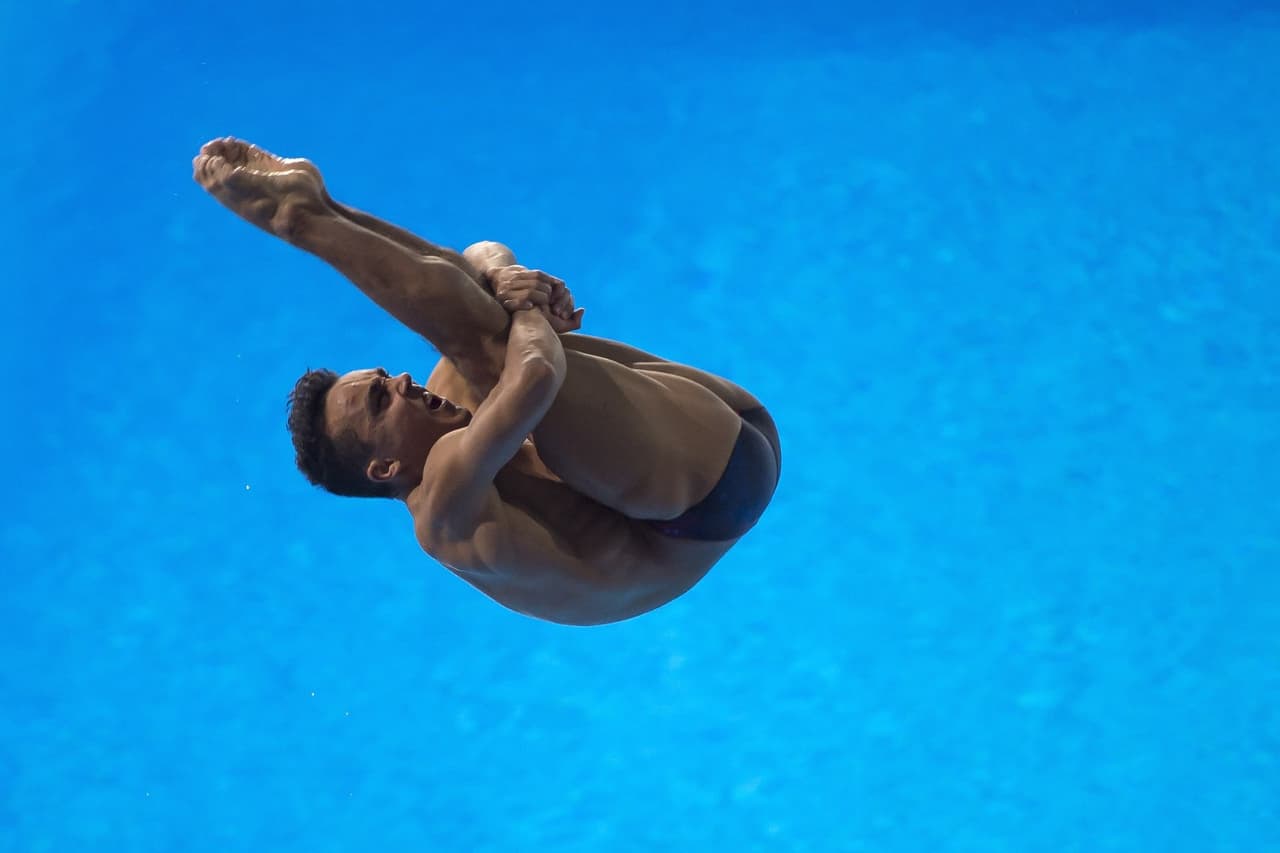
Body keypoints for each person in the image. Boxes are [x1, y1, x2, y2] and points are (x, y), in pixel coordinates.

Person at [193, 137, 780, 626]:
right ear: (385, 468)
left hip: (731, 422)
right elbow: (535, 375)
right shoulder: (444, 512)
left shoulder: (448, 393)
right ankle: (301, 219)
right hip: (708, 501)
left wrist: (507, 277)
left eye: (383, 377)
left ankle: (324, 206)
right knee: (490, 340)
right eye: (379, 400)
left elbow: (479, 252)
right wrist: (528, 307)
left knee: (481, 320)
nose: (399, 380)